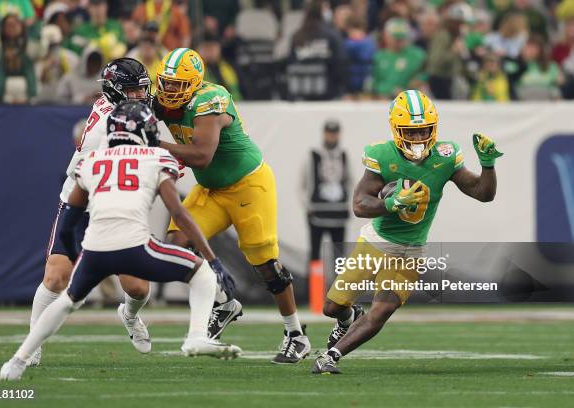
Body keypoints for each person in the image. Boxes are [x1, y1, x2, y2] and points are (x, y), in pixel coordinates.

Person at [0, 101, 241, 381]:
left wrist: (77, 251)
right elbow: (178, 211)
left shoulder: (92, 161)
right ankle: (197, 336)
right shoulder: (156, 158)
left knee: (68, 301)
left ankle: (17, 361)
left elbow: (69, 217)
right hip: (134, 246)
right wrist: (212, 258)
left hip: (95, 248)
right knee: (201, 273)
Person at [312, 89, 503, 374]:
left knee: (383, 309)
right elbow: (359, 204)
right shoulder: (381, 154)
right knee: (331, 307)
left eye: (423, 131)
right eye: (410, 132)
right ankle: (348, 317)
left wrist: (488, 165)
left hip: (411, 250)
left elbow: (482, 193)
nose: (417, 139)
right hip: (376, 242)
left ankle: (331, 356)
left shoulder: (445, 155)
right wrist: (391, 203)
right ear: (396, 130)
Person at [153, 48, 311, 364]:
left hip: (248, 184)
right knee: (177, 246)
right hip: (212, 189)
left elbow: (201, 155)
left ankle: (296, 335)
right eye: (166, 83)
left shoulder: (210, 100)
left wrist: (151, 142)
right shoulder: (159, 101)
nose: (169, 91)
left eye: (177, 85)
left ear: (195, 83)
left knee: (265, 262)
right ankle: (224, 302)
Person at [28, 58, 154, 368]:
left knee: (137, 288)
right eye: (132, 92)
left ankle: (129, 315)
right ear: (115, 92)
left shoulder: (122, 108)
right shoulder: (108, 129)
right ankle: (32, 343)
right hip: (82, 200)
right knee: (56, 277)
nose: (140, 98)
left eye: (141, 91)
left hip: (114, 204)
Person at [302, 119, 351, 262]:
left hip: (338, 214)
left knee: (339, 256)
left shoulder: (344, 155)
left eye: (334, 133)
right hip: (317, 212)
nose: (332, 136)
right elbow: (302, 183)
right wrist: (307, 205)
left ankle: (338, 284)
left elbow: (350, 180)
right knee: (315, 255)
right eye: (329, 133)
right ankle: (315, 285)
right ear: (324, 134)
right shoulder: (313, 155)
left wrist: (348, 202)